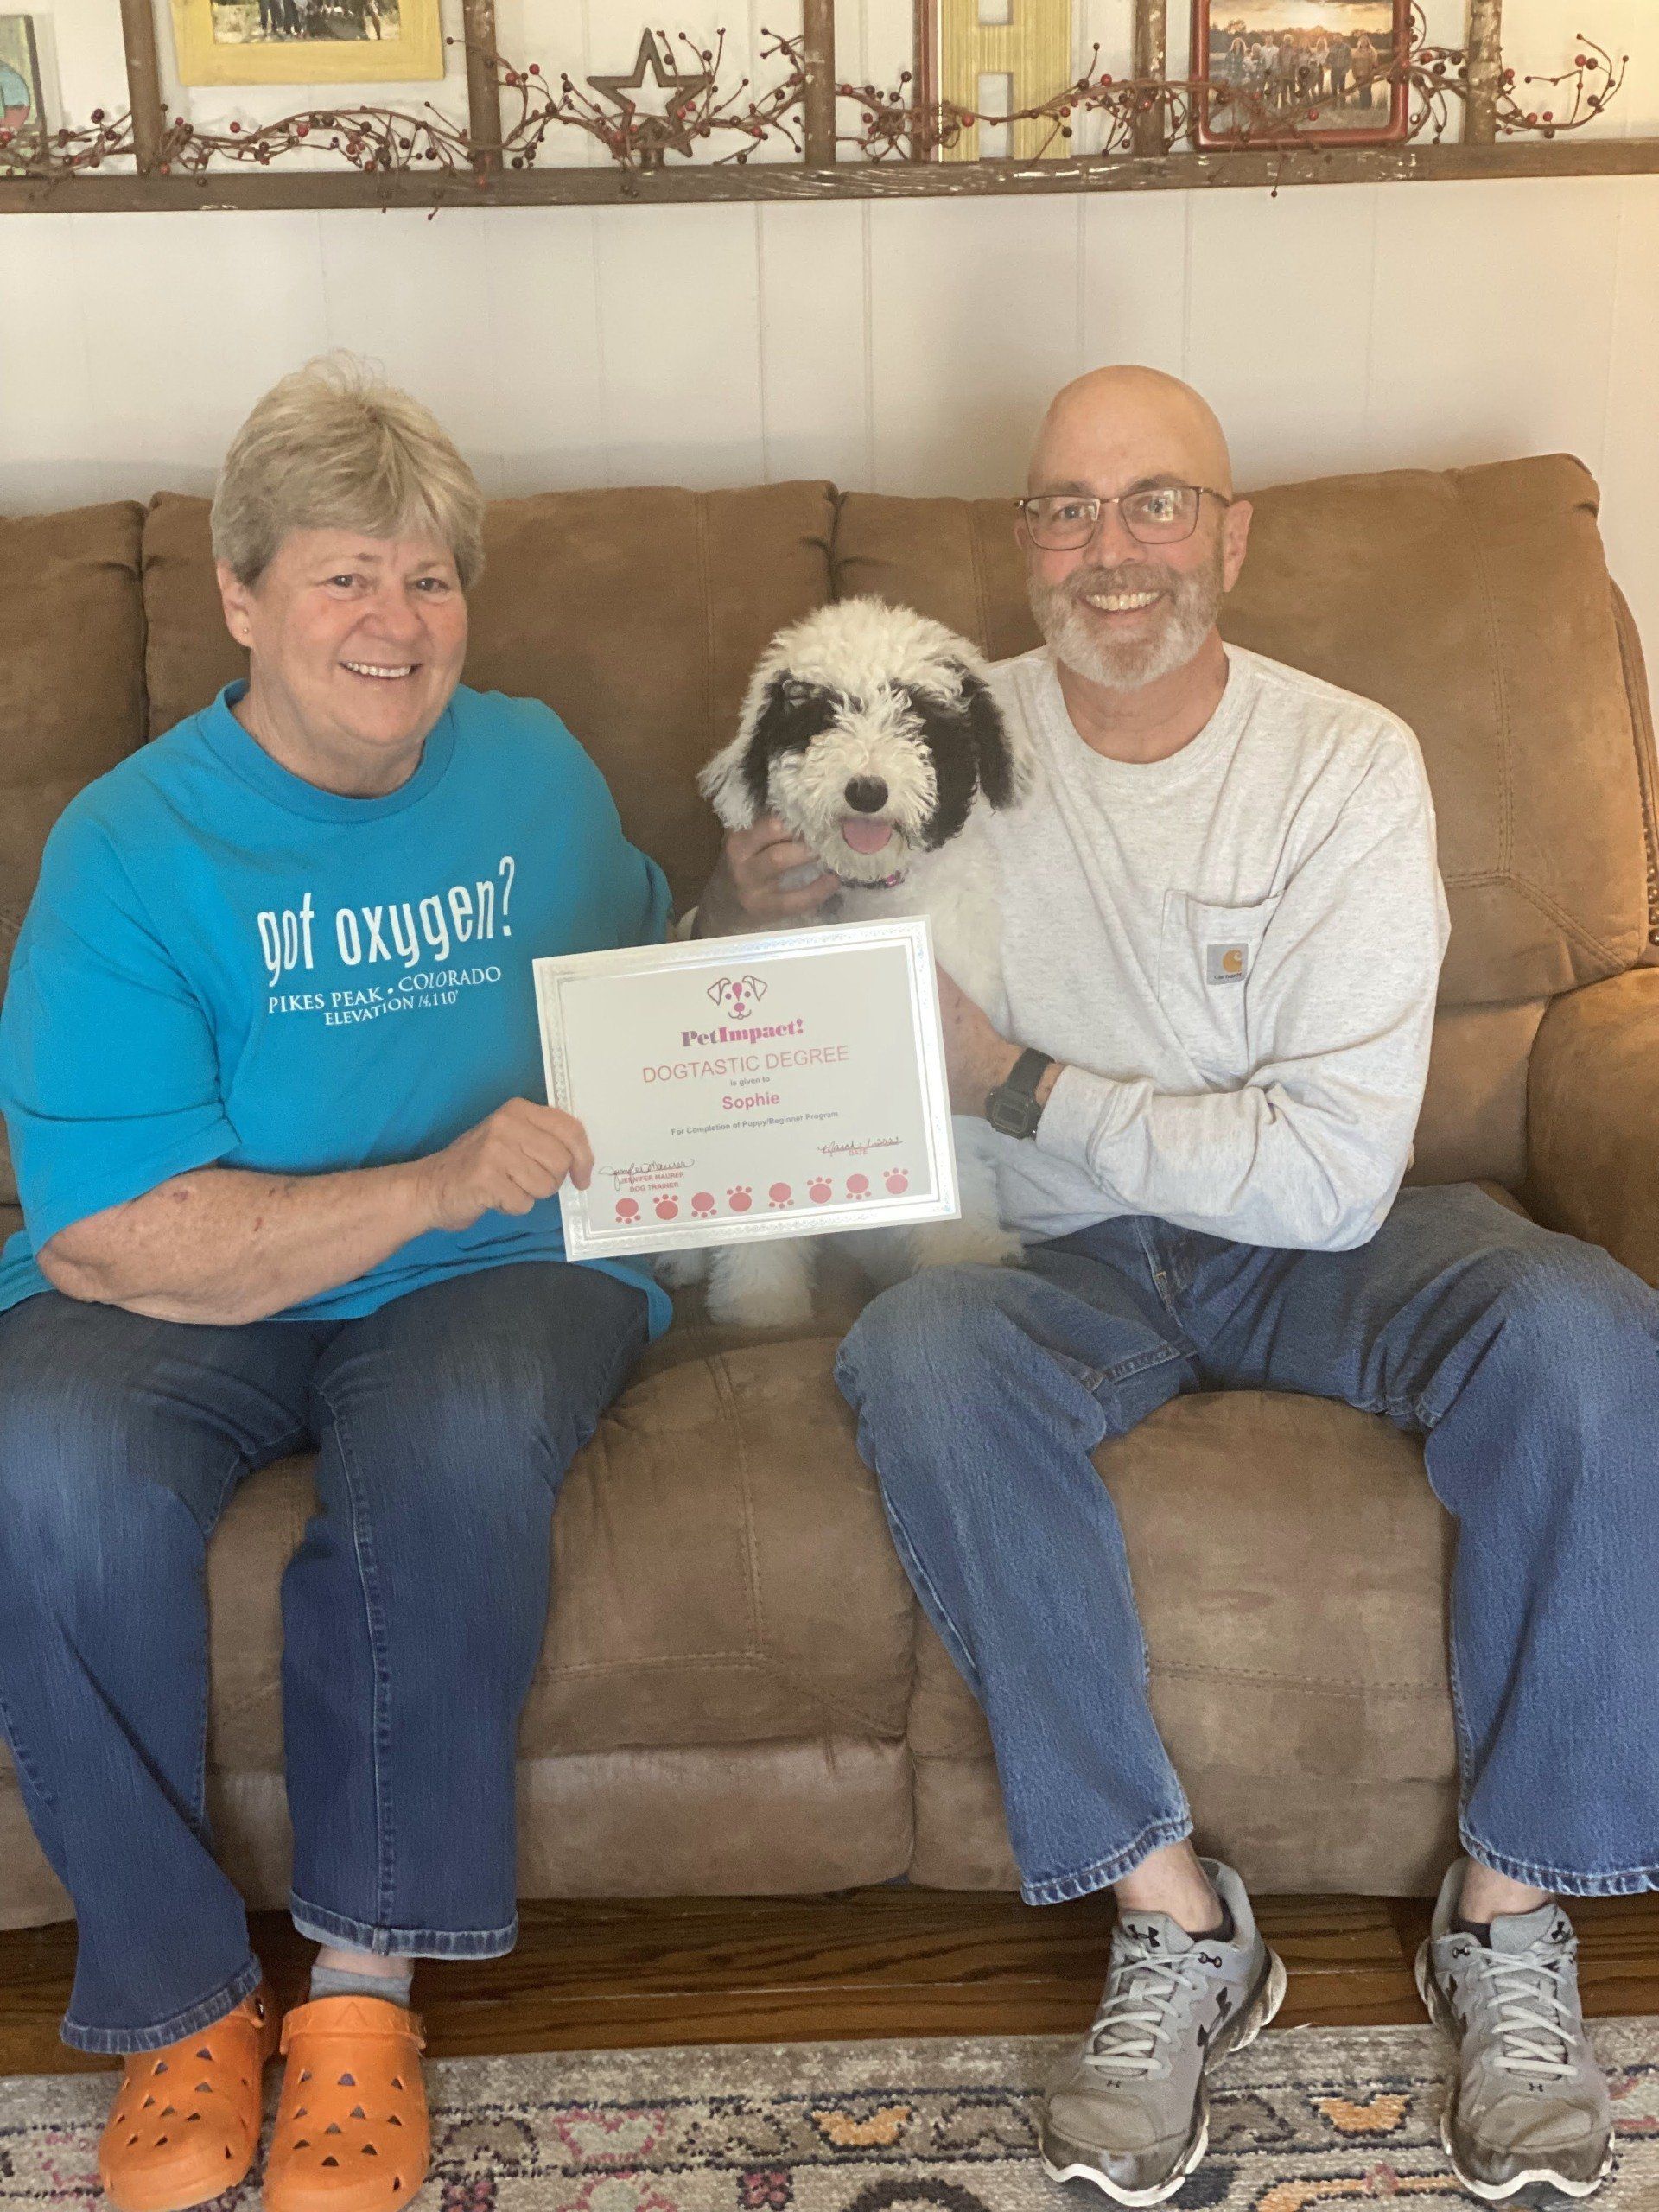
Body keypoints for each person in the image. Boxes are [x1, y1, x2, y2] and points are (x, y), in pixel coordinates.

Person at [695, 365, 1654, 2208]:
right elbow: (777, 1004)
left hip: (1342, 1237)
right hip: (1055, 1253)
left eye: (1154, 505)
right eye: (1067, 507)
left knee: (1591, 1328)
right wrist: (751, 910)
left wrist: (1030, 1082)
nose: (1108, 551)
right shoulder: (951, 734)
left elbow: (1328, 1171)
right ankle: (1173, 1914)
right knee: (920, 1348)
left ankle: (1511, 1913)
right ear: (1026, 541)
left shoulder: (1347, 760)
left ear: (1232, 536)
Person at [0, 357, 672, 2212]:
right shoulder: (133, 847)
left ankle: (365, 1985)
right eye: (343, 576)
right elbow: (108, 1229)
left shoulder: (535, 763)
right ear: (239, 600)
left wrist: (760, 906)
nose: (399, 618)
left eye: (431, 576)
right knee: (36, 1465)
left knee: (451, 1451)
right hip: (188, 1283)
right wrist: (431, 1173)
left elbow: (650, 996)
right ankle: (177, 1997)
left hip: (492, 1269)